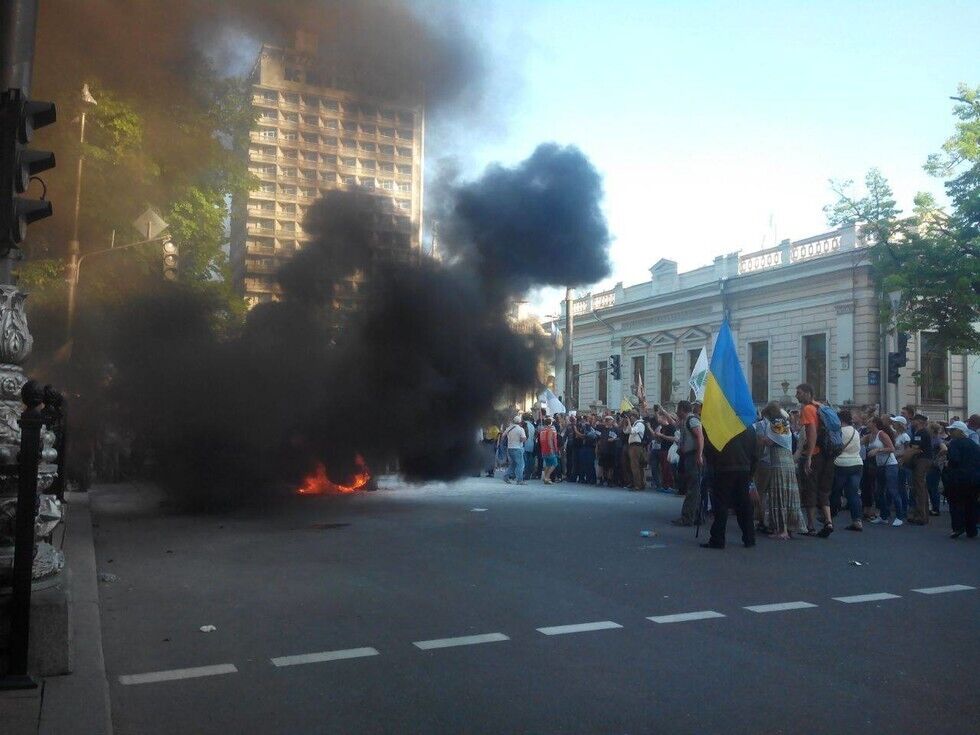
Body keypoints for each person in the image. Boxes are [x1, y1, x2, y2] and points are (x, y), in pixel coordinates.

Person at [701, 426, 758, 549]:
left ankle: (718, 539)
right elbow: (755, 453)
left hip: (724, 468)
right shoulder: (749, 428)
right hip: (744, 468)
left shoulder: (722, 427)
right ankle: (749, 537)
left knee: (721, 505)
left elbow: (711, 449)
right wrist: (750, 472)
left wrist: (712, 464)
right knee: (744, 505)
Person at [757, 402, 808, 538]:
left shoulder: (774, 424)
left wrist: (761, 439)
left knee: (779, 495)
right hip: (788, 461)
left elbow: (770, 441)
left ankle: (782, 529)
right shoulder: (785, 424)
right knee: (789, 494)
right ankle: (790, 527)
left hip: (778, 463)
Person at [795, 383, 834, 537]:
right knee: (823, 490)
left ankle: (811, 526)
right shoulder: (820, 407)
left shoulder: (807, 409)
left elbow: (812, 433)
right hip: (827, 454)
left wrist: (809, 456)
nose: (796, 395)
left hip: (816, 453)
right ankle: (828, 521)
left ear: (807, 393)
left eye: (798, 393)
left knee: (810, 489)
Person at [940, 421, 980, 538]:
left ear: (960, 431)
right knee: (971, 504)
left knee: (956, 503)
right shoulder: (973, 444)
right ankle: (971, 529)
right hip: (974, 478)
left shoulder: (955, 443)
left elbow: (955, 460)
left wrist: (948, 463)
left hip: (958, 478)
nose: (950, 432)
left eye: (953, 430)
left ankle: (958, 527)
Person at [867, 416, 905, 526]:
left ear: (874, 423)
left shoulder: (882, 434)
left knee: (892, 490)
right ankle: (883, 516)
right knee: (878, 492)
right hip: (880, 465)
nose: (867, 423)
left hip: (890, 465)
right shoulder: (870, 435)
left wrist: (877, 450)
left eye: (869, 421)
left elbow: (892, 448)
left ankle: (899, 517)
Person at [671, 400, 704, 526]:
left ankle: (688, 517)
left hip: (693, 456)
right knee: (693, 487)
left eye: (677, 409)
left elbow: (700, 437)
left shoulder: (692, 420)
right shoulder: (686, 420)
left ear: (681, 409)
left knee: (692, 488)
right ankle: (695, 516)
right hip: (689, 456)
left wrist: (699, 455)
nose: (676, 412)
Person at [831, 409, 865, 531]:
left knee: (835, 491)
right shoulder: (855, 431)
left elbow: (834, 447)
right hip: (857, 463)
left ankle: (829, 517)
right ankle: (857, 520)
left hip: (841, 463)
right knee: (853, 494)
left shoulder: (839, 432)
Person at [905, 414, 935, 525]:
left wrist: (904, 458)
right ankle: (920, 515)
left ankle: (922, 516)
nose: (912, 422)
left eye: (913, 420)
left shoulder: (921, 433)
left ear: (919, 421)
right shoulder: (919, 432)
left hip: (922, 460)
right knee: (919, 488)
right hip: (922, 460)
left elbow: (915, 449)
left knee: (920, 488)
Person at [502, 416, 527, 485]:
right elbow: (523, 438)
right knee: (520, 464)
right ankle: (519, 480)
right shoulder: (520, 429)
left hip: (510, 448)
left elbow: (503, 435)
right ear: (520, 422)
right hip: (517, 448)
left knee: (513, 464)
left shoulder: (509, 428)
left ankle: (506, 476)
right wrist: (520, 440)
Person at [596, 415, 619, 486]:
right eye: (606, 420)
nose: (607, 421)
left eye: (609, 420)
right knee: (601, 465)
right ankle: (601, 479)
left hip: (612, 450)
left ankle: (609, 480)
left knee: (611, 466)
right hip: (603, 449)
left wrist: (614, 439)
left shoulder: (615, 429)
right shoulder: (601, 428)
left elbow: (618, 437)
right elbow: (597, 434)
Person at [627, 412, 647, 491]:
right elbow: (626, 431)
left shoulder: (639, 424)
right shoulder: (636, 424)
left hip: (636, 446)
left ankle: (638, 485)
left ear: (634, 417)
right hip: (634, 446)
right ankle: (640, 484)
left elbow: (632, 431)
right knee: (638, 466)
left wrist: (629, 422)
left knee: (635, 466)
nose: (630, 418)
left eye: (630, 417)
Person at [538, 417, 560, 484]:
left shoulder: (542, 430)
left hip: (543, 449)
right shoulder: (550, 430)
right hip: (549, 449)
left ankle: (545, 478)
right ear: (550, 423)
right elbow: (549, 440)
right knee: (554, 463)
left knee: (548, 464)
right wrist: (552, 449)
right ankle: (547, 477)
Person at [522, 413, 537, 481]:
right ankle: (528, 474)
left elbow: (524, 435)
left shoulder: (524, 424)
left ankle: (525, 474)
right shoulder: (532, 425)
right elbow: (535, 435)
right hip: (531, 445)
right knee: (529, 460)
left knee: (525, 461)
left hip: (525, 444)